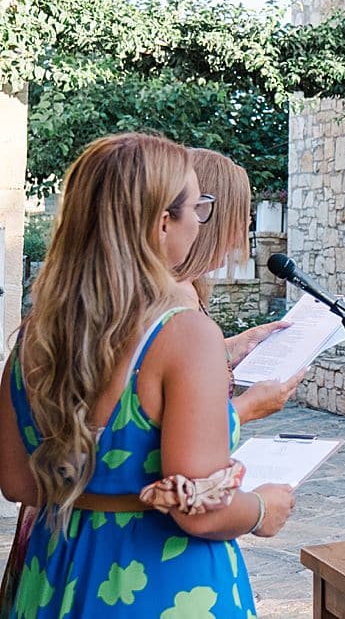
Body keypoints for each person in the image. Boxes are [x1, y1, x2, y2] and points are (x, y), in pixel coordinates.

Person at [0, 133, 295, 617]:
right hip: (162, 584)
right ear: (163, 223)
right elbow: (199, 511)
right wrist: (263, 508)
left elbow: (15, 481)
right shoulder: (182, 335)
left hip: (54, 576)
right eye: (197, 208)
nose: (201, 224)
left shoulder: (35, 335)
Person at [174, 149, 301, 424]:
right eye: (240, 215)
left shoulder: (185, 287)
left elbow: (184, 368)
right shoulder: (175, 298)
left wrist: (239, 345)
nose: (244, 228)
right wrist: (249, 406)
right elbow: (187, 427)